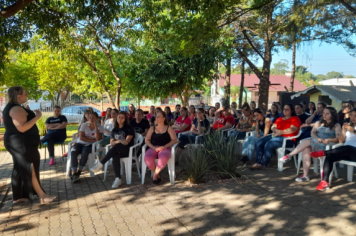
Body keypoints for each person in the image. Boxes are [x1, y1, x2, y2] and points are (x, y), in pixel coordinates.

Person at [3, 86, 56, 204]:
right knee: (29, 166)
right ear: (18, 96)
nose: (27, 95)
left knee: (19, 167)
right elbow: (21, 128)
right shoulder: (15, 108)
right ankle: (42, 196)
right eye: (25, 93)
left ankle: (19, 196)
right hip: (21, 143)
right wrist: (37, 117)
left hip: (19, 142)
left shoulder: (14, 107)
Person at [280, 107, 341, 182]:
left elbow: (338, 139)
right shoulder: (318, 123)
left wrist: (328, 140)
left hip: (327, 146)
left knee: (307, 141)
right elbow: (313, 133)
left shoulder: (336, 125)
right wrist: (317, 138)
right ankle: (305, 176)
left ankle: (289, 155)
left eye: (327, 113)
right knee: (306, 149)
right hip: (316, 142)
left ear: (332, 115)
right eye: (324, 113)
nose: (324, 115)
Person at [310, 108, 356, 191]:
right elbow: (341, 141)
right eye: (352, 115)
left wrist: (354, 131)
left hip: (354, 153)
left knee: (348, 147)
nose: (353, 117)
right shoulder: (349, 125)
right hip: (346, 152)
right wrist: (343, 130)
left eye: (355, 116)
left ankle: (324, 152)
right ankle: (325, 182)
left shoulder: (352, 128)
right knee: (330, 157)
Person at [90, 111, 135, 188]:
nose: (120, 119)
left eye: (122, 117)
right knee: (115, 155)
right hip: (117, 150)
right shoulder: (114, 130)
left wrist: (118, 142)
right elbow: (111, 143)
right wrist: (120, 141)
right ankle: (118, 179)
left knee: (117, 146)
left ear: (125, 119)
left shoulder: (129, 128)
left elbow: (126, 142)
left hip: (127, 151)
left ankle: (101, 163)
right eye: (119, 117)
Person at [251, 104, 301, 169]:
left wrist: (281, 132)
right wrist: (277, 130)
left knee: (269, 143)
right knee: (260, 142)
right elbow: (273, 127)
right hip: (277, 136)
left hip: (288, 139)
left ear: (291, 110)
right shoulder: (280, 119)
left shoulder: (295, 118)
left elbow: (293, 129)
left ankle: (263, 164)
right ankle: (258, 162)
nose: (284, 110)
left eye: (287, 109)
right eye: (284, 109)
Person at [144, 110, 177, 184]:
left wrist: (164, 146)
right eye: (156, 116)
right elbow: (146, 140)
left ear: (164, 118)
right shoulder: (152, 128)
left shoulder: (169, 128)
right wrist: (153, 147)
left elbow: (174, 140)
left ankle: (155, 175)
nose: (156, 118)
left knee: (163, 157)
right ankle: (157, 174)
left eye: (158, 116)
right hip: (153, 147)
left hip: (165, 147)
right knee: (147, 158)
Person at [70, 113, 104, 183]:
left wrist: (96, 127)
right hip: (80, 143)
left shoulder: (100, 127)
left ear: (97, 119)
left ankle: (79, 171)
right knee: (73, 151)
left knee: (85, 151)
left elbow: (98, 138)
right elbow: (81, 137)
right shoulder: (84, 125)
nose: (91, 119)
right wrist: (93, 140)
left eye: (94, 118)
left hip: (91, 145)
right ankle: (74, 172)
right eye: (90, 117)